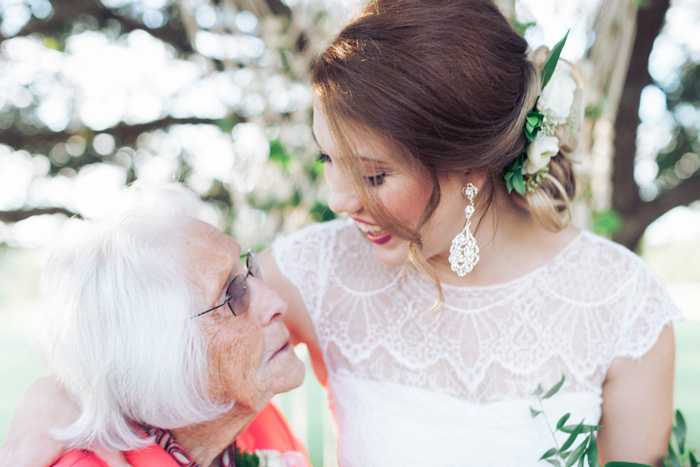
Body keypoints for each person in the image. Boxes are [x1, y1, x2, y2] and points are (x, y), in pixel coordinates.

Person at [0, 0, 682, 465]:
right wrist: (51, 400)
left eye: (374, 175)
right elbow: (158, 331)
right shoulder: (314, 270)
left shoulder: (623, 309)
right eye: (329, 159)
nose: (336, 199)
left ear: (472, 165)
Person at [13, 185, 309, 467]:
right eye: (232, 294)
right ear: (164, 360)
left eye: (247, 268)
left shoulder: (258, 422)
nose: (277, 302)